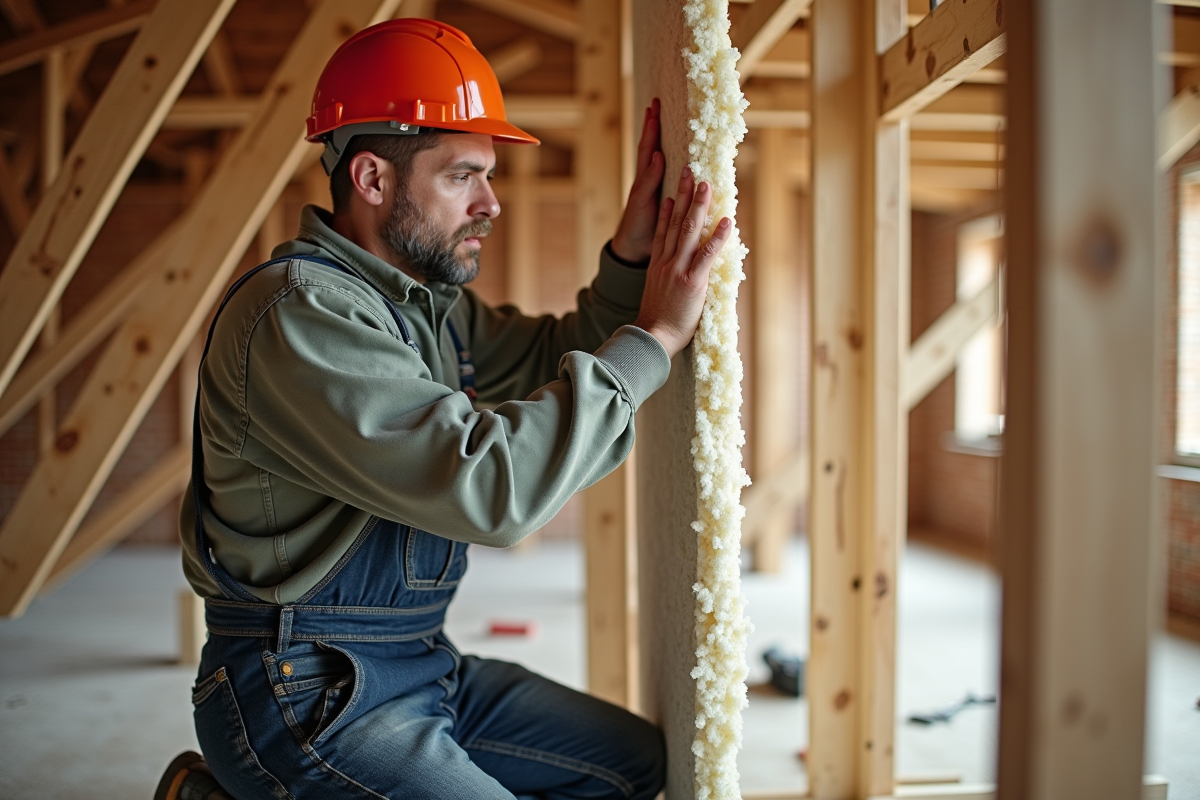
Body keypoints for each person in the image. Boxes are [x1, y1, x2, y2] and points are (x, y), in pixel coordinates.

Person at [170, 18, 730, 800]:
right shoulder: (301, 316)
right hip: (305, 693)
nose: (492, 203)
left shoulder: (423, 310)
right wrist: (658, 335)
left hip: (418, 662)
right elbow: (490, 487)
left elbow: (554, 360)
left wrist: (632, 263)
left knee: (629, 764)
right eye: (463, 176)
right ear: (372, 179)